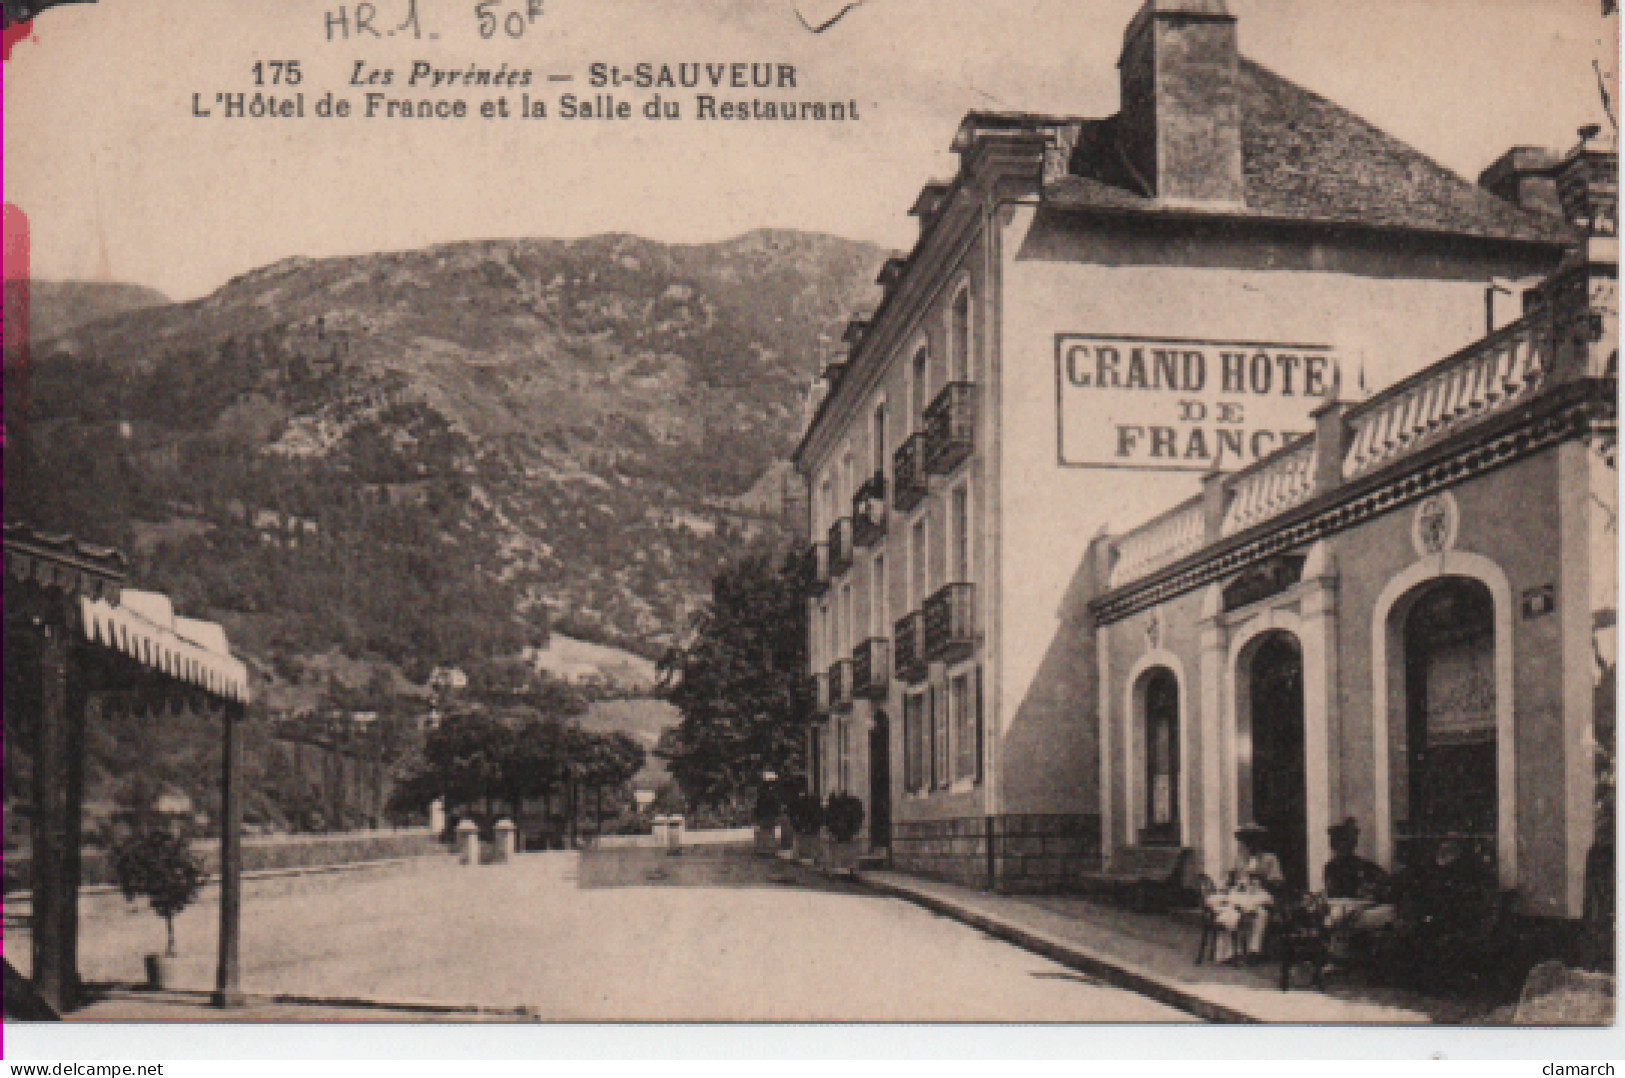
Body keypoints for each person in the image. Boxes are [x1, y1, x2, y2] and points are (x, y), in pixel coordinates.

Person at [1204, 822, 1283, 962]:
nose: (1250, 845)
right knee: (1231, 912)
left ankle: (1254, 950)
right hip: (1241, 894)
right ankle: (1231, 952)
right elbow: (1230, 879)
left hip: (1260, 894)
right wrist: (1232, 882)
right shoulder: (1239, 859)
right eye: (1247, 840)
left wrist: (1261, 879)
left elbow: (1277, 882)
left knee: (1261, 913)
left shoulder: (1270, 859)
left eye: (1254, 840)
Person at [1321, 817, 1397, 960]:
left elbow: (1385, 884)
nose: (1343, 847)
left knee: (1390, 911)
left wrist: (1374, 890)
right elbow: (1333, 895)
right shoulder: (1331, 868)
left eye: (1347, 843)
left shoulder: (1365, 866)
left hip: (1364, 910)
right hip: (1343, 909)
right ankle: (1339, 953)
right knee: (1337, 914)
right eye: (1339, 843)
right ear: (1334, 846)